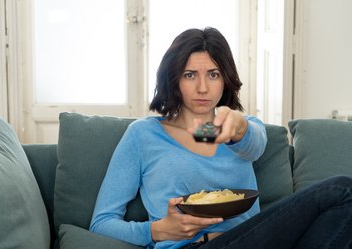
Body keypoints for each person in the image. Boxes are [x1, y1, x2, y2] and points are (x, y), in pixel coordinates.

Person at [90, 27, 352, 249]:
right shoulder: (143, 135)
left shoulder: (242, 129)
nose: (203, 88)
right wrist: (157, 230)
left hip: (254, 240)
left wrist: (238, 127)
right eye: (190, 75)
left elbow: (252, 143)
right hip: (192, 246)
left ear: (225, 80)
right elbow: (101, 222)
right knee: (341, 190)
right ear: (174, 80)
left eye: (213, 75)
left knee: (341, 202)